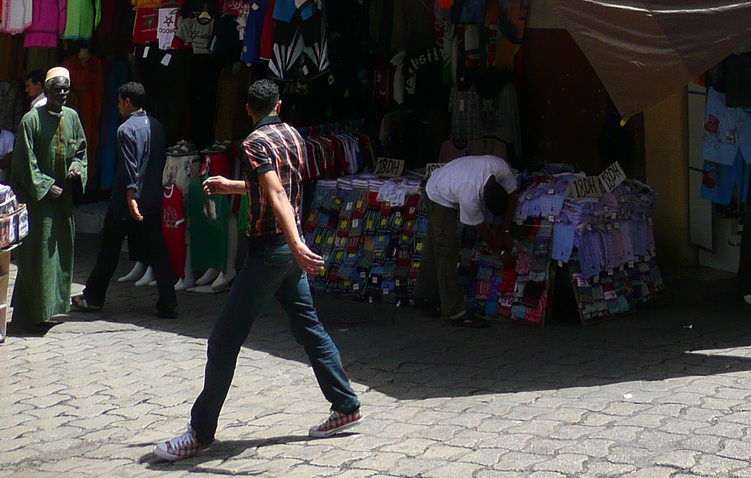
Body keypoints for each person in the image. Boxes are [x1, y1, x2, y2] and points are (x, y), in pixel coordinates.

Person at [153, 77, 362, 462]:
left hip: (271, 251)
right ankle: (346, 404)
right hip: (285, 252)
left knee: (223, 340)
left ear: (248, 109)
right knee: (308, 328)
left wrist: (297, 244)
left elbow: (277, 191)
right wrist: (233, 187)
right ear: (278, 105)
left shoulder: (252, 144)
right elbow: (275, 185)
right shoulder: (293, 136)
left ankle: (199, 433)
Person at [72, 81, 176, 318]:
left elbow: (130, 168)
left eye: (119, 101)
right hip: (152, 199)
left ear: (127, 101)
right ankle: (169, 301)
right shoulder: (157, 126)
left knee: (108, 250)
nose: (118, 106)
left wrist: (130, 198)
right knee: (158, 250)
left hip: (126, 202)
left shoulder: (125, 130)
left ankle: (93, 298)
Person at [10, 66, 87, 331]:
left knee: (58, 254)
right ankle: (34, 314)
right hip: (38, 202)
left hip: (62, 201)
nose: (63, 93)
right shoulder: (31, 120)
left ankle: (47, 310)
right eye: (57, 88)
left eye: (66, 88)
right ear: (46, 88)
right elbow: (24, 162)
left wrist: (77, 169)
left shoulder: (73, 118)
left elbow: (80, 150)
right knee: (37, 256)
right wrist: (45, 185)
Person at [414, 153, 518, 326]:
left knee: (435, 246)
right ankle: (455, 311)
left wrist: (506, 228)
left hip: (450, 177)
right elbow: (482, 228)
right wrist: (501, 253)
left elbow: (512, 193)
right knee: (446, 249)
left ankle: (423, 295)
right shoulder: (470, 194)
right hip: (438, 194)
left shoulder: (500, 167)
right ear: (483, 200)